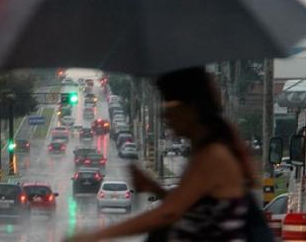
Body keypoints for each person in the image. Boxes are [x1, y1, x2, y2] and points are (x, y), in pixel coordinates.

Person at [69, 67, 257, 242]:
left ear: (191, 109)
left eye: (170, 107)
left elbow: (169, 213)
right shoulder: (203, 153)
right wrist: (153, 188)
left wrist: (95, 236)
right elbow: (189, 207)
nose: (164, 116)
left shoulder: (213, 156)